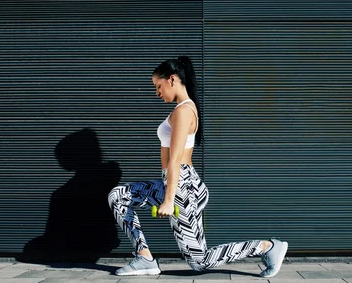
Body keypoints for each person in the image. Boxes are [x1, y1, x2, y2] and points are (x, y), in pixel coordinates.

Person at [108, 56, 288, 277]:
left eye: (158, 86)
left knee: (199, 262)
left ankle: (267, 247)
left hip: (183, 188)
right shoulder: (182, 109)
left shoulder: (184, 111)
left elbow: (175, 160)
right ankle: (145, 258)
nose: (157, 92)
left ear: (172, 80)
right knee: (118, 196)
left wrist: (168, 200)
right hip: (175, 183)